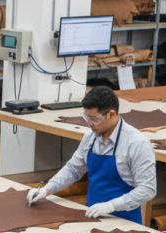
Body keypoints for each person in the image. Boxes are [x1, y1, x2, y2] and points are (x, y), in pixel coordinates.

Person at [27, 86, 156, 223]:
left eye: (94, 119)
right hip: (92, 216)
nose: (89, 124)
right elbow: (73, 169)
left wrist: (111, 206)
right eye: (86, 117)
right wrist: (47, 190)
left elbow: (147, 189)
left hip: (125, 221)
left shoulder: (137, 144)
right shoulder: (90, 137)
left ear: (111, 115)